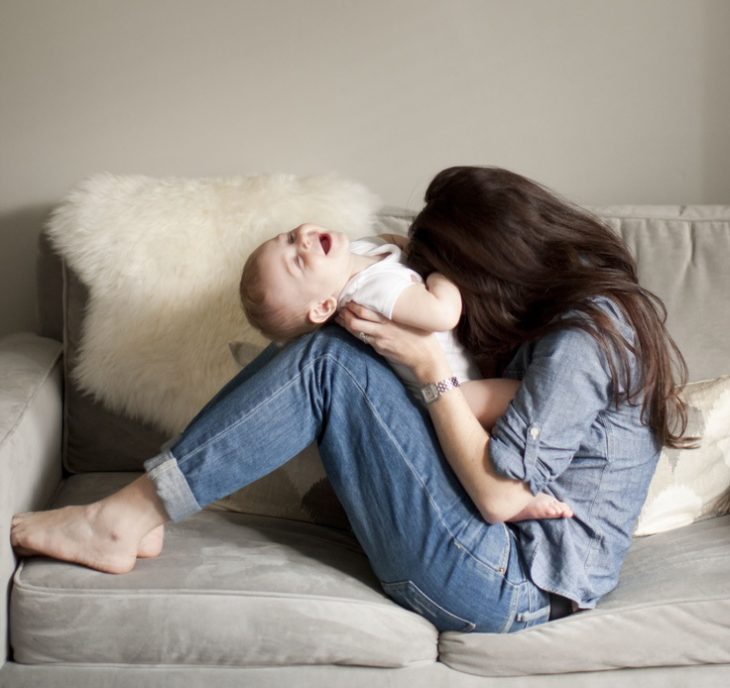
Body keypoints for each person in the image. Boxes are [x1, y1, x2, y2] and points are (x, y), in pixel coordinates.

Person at [11, 166, 692, 633]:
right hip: (492, 550)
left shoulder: (585, 337)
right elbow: (502, 414)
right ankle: (149, 504)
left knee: (328, 363)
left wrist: (429, 364)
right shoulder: (571, 321)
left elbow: (499, 499)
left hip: (507, 585)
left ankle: (125, 519)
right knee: (335, 345)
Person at [238, 226, 573, 521]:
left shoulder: (360, 252)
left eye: (288, 237)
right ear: (324, 307)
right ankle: (519, 502)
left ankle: (524, 485)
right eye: (297, 260)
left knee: (512, 426)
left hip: (459, 376)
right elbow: (443, 314)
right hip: (450, 393)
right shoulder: (369, 294)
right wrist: (441, 270)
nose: (303, 242)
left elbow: (395, 243)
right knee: (526, 396)